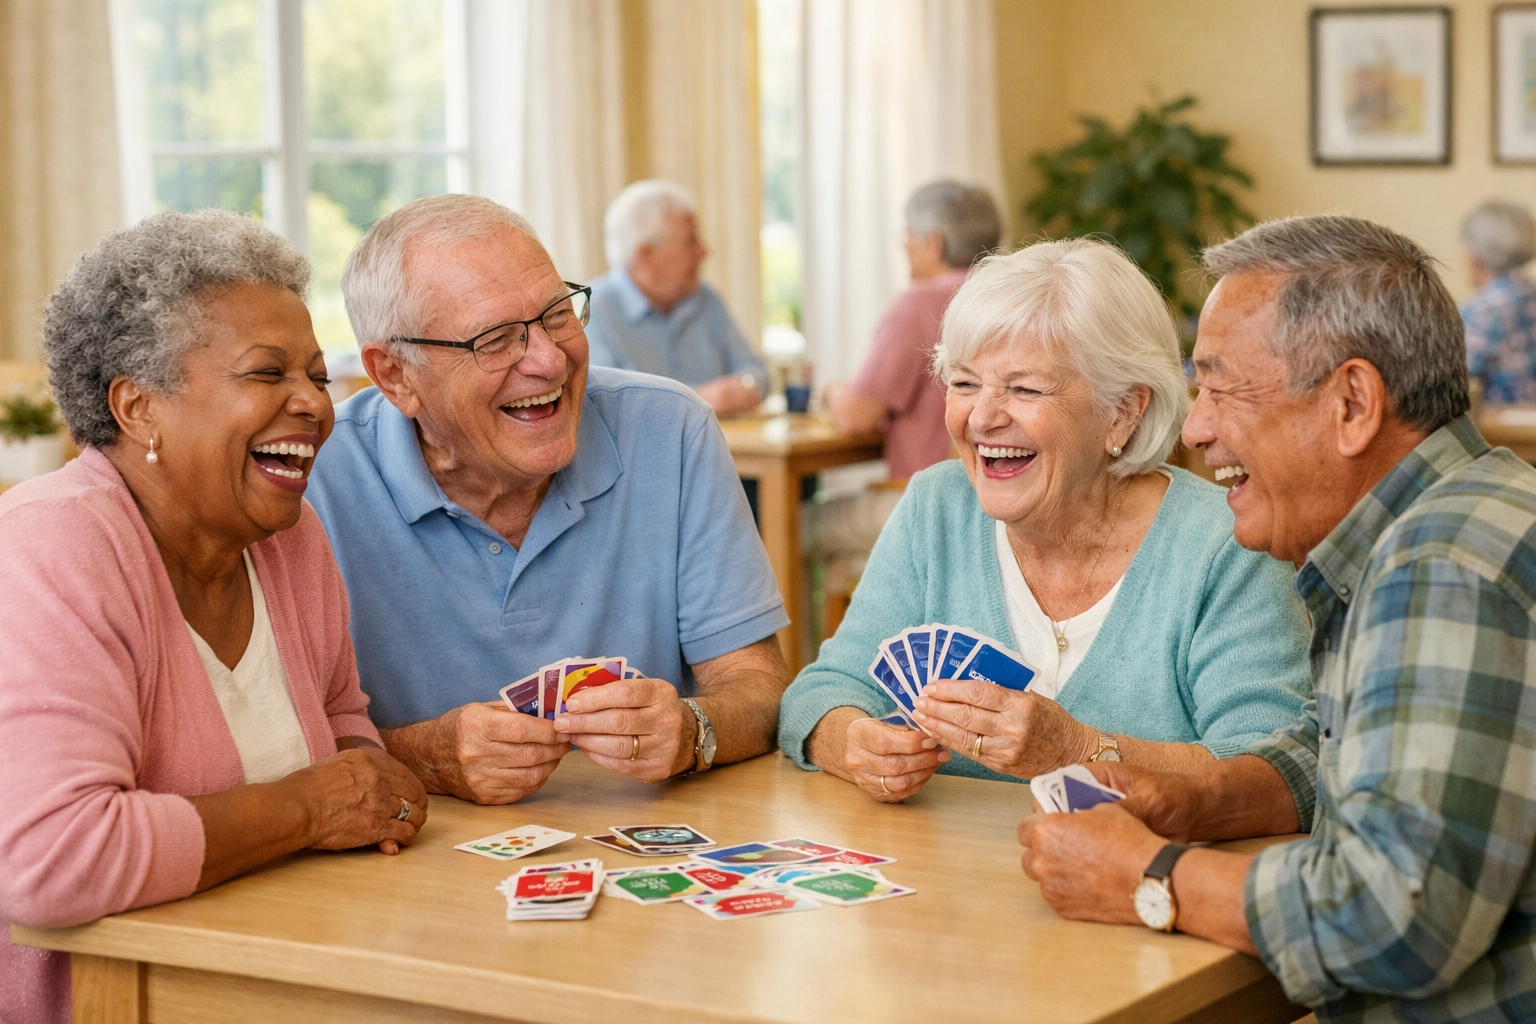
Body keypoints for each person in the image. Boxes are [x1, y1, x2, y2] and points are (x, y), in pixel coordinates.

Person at [1017, 215, 1536, 1024]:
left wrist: (1153, 875)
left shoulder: (1439, 567)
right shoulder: (1465, 509)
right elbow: (1362, 743)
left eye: (1221, 387)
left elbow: (1398, 917)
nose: (1195, 427)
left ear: (1353, 404)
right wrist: (1205, 799)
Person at [0, 211, 427, 1024]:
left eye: (317, 376)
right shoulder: (52, 546)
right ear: (137, 407)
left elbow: (345, 730)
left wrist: (374, 787)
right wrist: (310, 808)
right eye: (267, 374)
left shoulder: (291, 541)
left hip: (290, 978)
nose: (312, 404)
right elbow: (53, 862)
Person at [778, 237, 1312, 803]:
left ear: (1123, 413)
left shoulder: (1224, 544)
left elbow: (1273, 772)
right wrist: (855, 742)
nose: (982, 417)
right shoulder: (936, 508)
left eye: (1025, 388)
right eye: (963, 383)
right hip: (945, 883)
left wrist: (1079, 750)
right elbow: (820, 692)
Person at [305, 194, 791, 806]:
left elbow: (759, 686)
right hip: (409, 856)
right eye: (496, 339)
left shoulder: (671, 429)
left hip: (650, 847)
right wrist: (423, 756)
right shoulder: (317, 478)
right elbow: (280, 744)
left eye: (558, 314)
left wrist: (695, 730)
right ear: (396, 376)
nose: (549, 359)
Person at [824, 180, 1002, 479]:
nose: (904, 245)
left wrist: (833, 391)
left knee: (807, 517)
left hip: (928, 499)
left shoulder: (919, 303)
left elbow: (855, 417)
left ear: (934, 243)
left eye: (908, 234)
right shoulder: (1010, 295)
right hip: (1001, 493)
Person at [584, 179, 767, 417]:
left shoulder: (706, 299)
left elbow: (757, 372)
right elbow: (604, 403)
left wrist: (746, 386)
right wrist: (696, 399)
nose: (704, 251)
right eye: (691, 241)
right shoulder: (589, 308)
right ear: (645, 255)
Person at [1460, 199, 1536, 403]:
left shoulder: (1485, 309)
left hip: (1504, 430)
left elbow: (1453, 376)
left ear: (1475, 256)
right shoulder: (1530, 294)